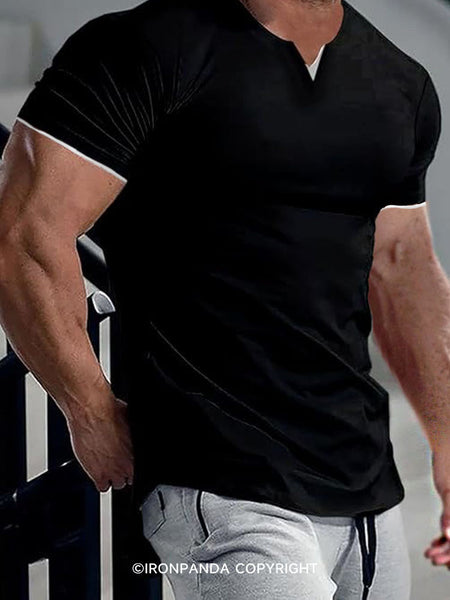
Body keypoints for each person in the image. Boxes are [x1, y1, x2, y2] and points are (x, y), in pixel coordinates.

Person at [0, 0, 448, 597]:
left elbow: (402, 265)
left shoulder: (399, 80)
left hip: (365, 491)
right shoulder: (144, 47)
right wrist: (87, 408)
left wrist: (446, 442)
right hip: (221, 480)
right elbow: (24, 232)